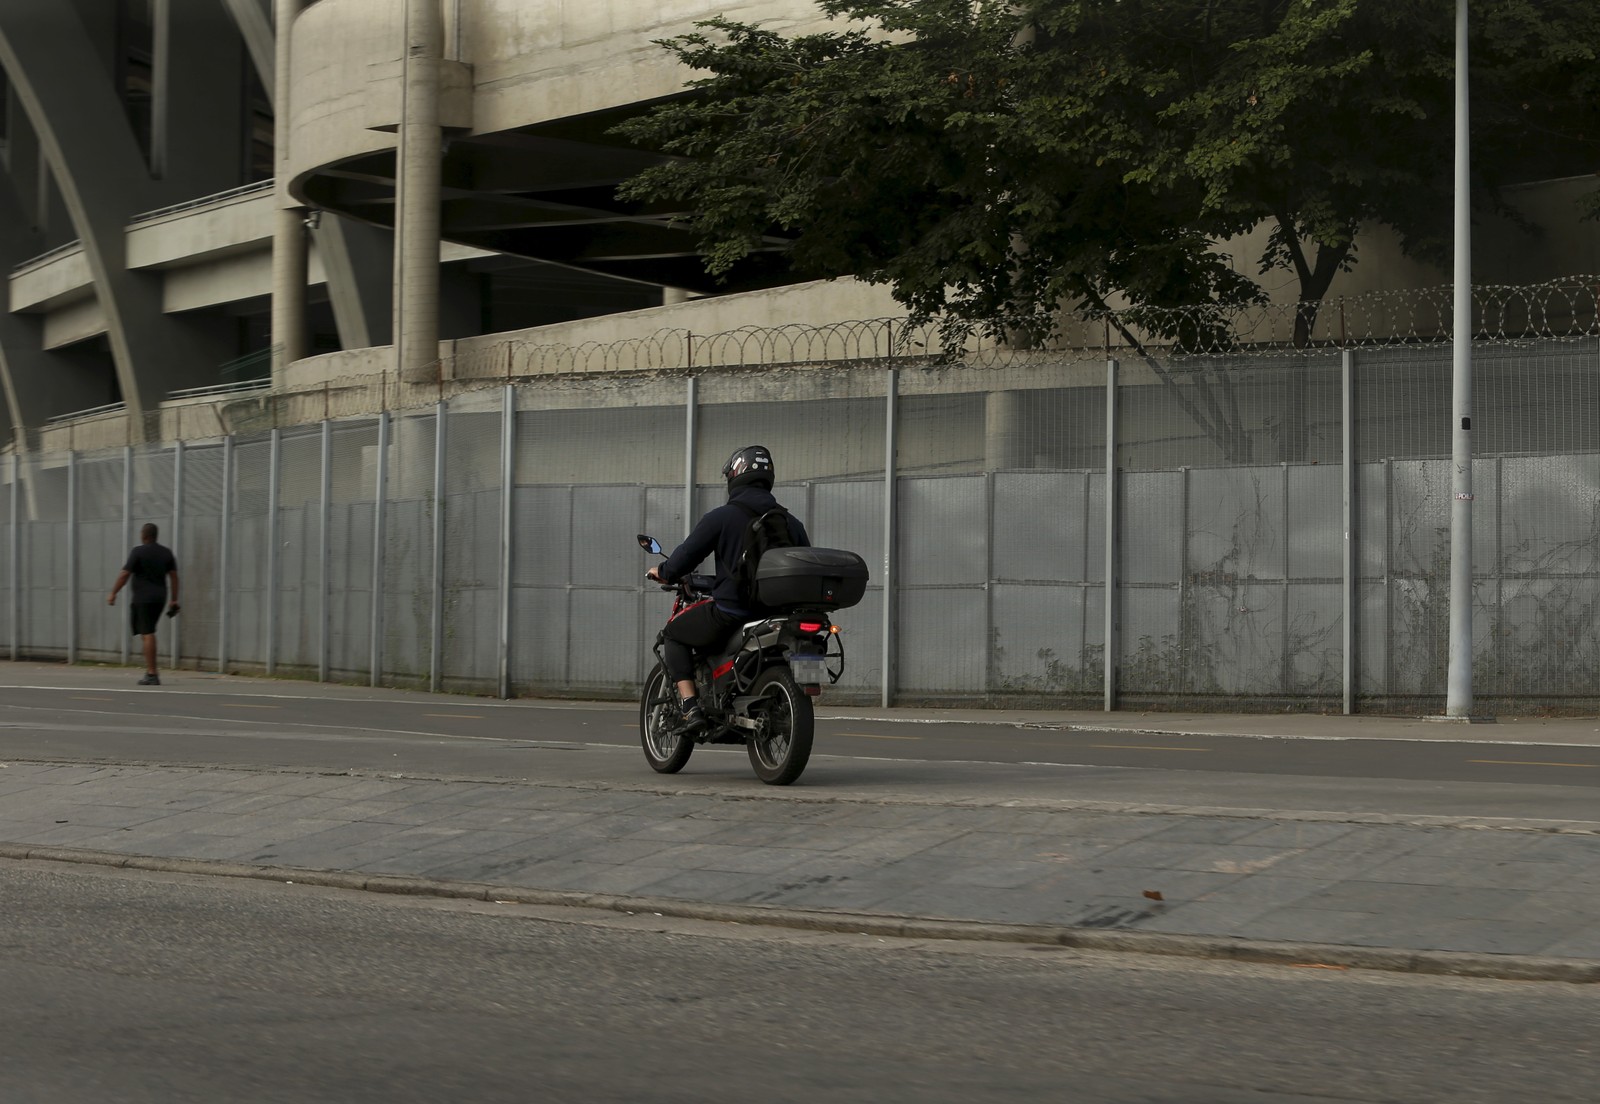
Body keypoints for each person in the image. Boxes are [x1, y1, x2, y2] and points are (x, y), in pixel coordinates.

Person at [648, 445, 808, 730]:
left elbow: (682, 560)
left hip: (732, 613)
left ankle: (690, 707)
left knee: (673, 634)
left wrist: (662, 571)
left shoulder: (722, 517)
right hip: (776, 615)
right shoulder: (789, 522)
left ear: (736, 475)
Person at [108, 523, 180, 686]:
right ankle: (150, 671)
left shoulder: (138, 551)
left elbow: (124, 574)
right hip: (160, 598)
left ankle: (152, 673)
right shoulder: (166, 553)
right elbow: (174, 577)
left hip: (143, 598)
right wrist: (174, 599)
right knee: (146, 632)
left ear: (144, 535)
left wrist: (113, 593)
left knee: (147, 633)